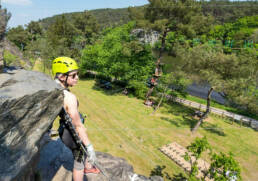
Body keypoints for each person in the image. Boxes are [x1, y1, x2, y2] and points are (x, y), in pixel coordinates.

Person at [52, 57, 100, 181]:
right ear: (62, 77)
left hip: (63, 129)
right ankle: (86, 169)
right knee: (79, 159)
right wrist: (89, 146)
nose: (77, 78)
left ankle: (88, 166)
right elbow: (78, 126)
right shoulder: (70, 97)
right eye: (73, 75)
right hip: (71, 133)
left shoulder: (54, 88)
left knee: (81, 154)